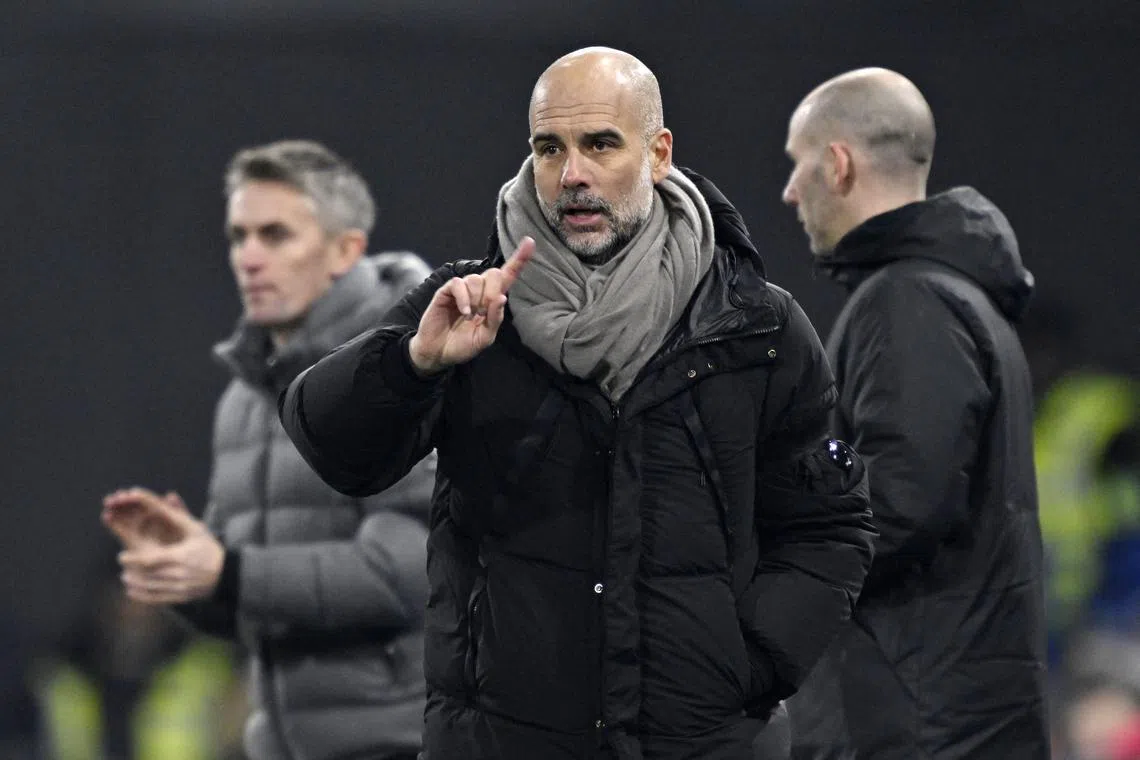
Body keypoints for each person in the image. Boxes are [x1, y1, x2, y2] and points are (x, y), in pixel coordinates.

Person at [278, 48, 876, 760]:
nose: (572, 176)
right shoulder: (472, 307)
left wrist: (751, 666)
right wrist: (413, 364)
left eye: (599, 144)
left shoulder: (755, 327)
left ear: (657, 155)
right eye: (548, 148)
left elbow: (830, 526)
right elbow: (329, 444)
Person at [100, 140, 436, 760]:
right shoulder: (243, 398)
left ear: (346, 250)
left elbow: (408, 573)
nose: (248, 258)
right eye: (238, 236)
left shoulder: (402, 372)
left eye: (275, 236)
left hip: (397, 745)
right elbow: (249, 608)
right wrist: (190, 570)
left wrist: (229, 570)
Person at [779, 68, 1049, 758]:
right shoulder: (959, 297)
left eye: (797, 164)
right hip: (950, 714)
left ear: (837, 165)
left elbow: (899, 502)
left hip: (910, 724)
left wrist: (774, 539)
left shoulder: (907, 302)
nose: (789, 191)